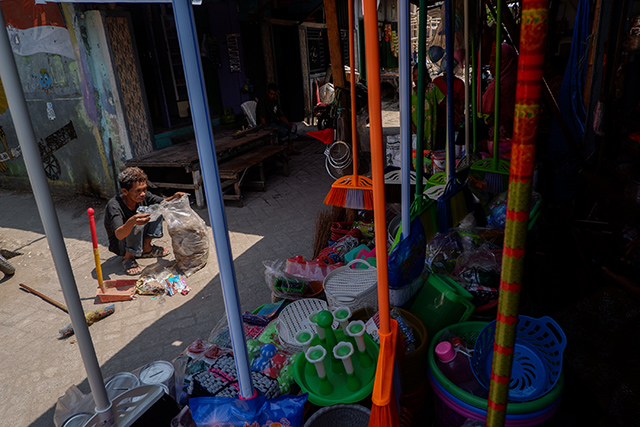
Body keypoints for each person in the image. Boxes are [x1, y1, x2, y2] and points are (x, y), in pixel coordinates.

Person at [104, 167, 186, 275]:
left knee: (158, 208)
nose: (142, 194)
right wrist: (132, 221)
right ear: (125, 191)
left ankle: (146, 247)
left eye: (144, 189)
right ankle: (128, 258)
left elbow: (162, 202)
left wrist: (174, 197)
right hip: (120, 244)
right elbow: (119, 234)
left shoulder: (144, 196)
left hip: (139, 236)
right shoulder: (114, 206)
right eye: (138, 191)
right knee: (136, 221)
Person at [482, 43, 518, 141]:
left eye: (494, 60)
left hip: (504, 137)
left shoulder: (505, 84)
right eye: (491, 59)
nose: (490, 64)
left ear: (505, 61)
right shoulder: (499, 80)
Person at [256, 83, 299, 155]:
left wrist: (289, 124)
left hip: (276, 121)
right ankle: (282, 152)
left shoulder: (275, 101)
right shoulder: (263, 101)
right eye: (271, 94)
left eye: (274, 94)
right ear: (267, 93)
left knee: (293, 127)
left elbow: (280, 115)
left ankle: (290, 148)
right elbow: (262, 116)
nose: (272, 96)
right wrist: (264, 126)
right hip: (269, 123)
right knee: (282, 131)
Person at [411, 64, 445, 152]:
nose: (416, 79)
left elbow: (445, 104)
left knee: (428, 156)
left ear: (425, 76)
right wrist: (416, 130)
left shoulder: (432, 89)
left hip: (430, 130)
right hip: (414, 130)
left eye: (419, 76)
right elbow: (406, 115)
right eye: (414, 76)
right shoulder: (410, 93)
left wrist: (459, 116)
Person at [433, 67, 465, 150]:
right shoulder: (436, 82)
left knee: (453, 148)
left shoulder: (459, 83)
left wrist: (459, 119)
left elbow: (461, 103)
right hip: (440, 121)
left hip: (454, 121)